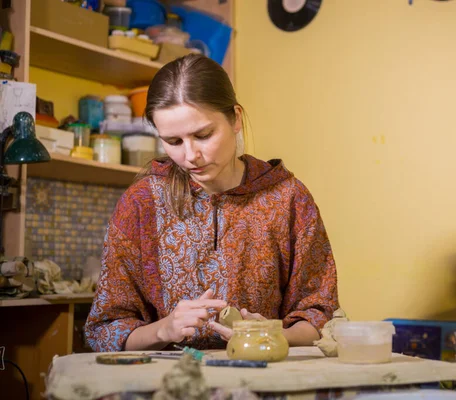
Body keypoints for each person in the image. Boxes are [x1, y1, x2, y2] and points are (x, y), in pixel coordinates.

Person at [84, 54, 339, 352]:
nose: (190, 155)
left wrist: (274, 334)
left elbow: (323, 318)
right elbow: (103, 331)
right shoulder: (142, 203)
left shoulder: (287, 198)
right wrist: (163, 329)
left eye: (203, 135)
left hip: (262, 379)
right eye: (173, 142)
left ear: (236, 119)